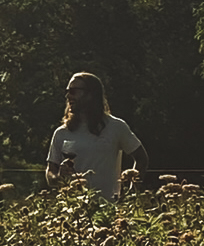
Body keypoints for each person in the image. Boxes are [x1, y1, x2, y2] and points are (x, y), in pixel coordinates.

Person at [45, 71, 148, 200]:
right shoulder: (62, 133)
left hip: (107, 209)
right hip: (72, 210)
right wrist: (58, 178)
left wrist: (131, 192)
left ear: (91, 95)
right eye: (67, 91)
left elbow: (141, 158)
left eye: (73, 91)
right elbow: (50, 172)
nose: (68, 96)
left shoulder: (115, 127)